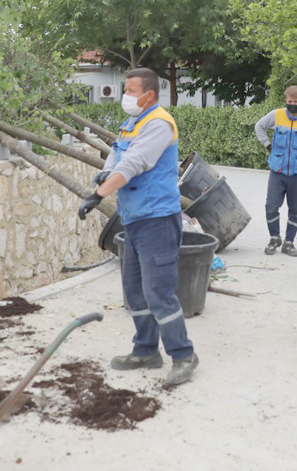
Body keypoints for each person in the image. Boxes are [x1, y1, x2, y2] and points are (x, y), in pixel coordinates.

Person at [77, 67, 198, 386]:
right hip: (133, 217)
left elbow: (134, 163)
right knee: (134, 290)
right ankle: (146, 350)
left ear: (149, 95)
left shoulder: (159, 123)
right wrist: (105, 174)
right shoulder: (133, 122)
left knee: (158, 291)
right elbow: (117, 155)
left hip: (157, 218)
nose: (125, 95)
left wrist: (97, 194)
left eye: (131, 90)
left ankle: (183, 355)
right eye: (125, 89)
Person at [254, 85, 297, 256]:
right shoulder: (277, 115)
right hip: (278, 171)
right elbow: (259, 126)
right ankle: (274, 238)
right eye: (289, 102)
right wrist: (267, 145)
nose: (292, 105)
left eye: (295, 102)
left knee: (296, 210)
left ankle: (289, 242)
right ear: (286, 100)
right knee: (271, 206)